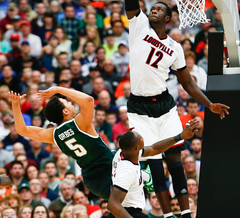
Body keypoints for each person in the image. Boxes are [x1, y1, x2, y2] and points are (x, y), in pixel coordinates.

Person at [111, 0, 230, 218]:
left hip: (164, 104)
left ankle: (187, 214)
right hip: (139, 106)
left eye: (161, 8)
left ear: (169, 17)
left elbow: (188, 84)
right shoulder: (138, 26)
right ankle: (167, 215)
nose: (154, 9)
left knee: (175, 158)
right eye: (153, 7)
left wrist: (208, 104)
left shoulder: (176, 47)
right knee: (152, 161)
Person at [9, 87, 198, 203]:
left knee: (127, 205)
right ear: (65, 111)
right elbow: (89, 100)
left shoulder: (54, 135)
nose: (71, 102)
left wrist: (16, 106)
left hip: (93, 181)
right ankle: (144, 177)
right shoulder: (80, 123)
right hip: (111, 166)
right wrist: (59, 89)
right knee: (144, 152)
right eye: (67, 102)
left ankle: (142, 178)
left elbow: (23, 130)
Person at [107, 124, 198, 218]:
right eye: (141, 138)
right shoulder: (127, 171)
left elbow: (154, 149)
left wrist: (181, 136)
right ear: (138, 147)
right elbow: (113, 205)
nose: (143, 138)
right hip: (125, 212)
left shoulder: (125, 152)